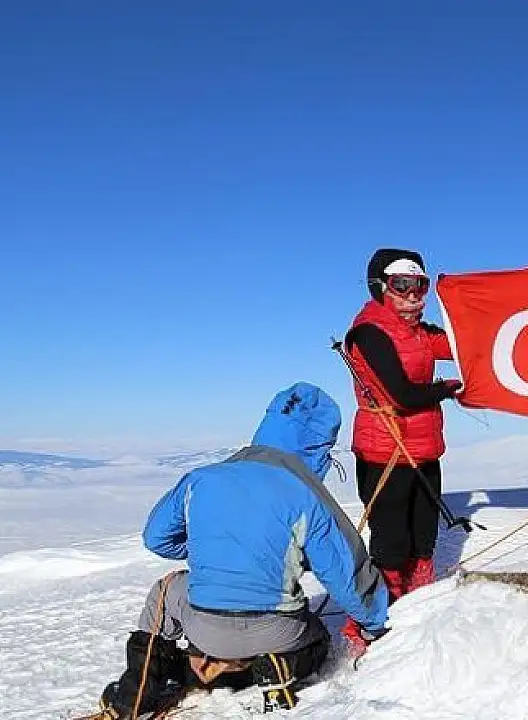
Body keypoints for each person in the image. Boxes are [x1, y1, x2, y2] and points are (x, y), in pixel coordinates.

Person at [96, 382, 390, 718]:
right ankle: (281, 666)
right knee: (318, 638)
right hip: (277, 632)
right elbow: (344, 571)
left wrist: (218, 553)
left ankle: (136, 692)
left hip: (204, 630)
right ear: (318, 446)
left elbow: (156, 538)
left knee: (165, 590)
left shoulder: (202, 479)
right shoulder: (304, 491)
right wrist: (374, 624)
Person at [342, 248, 461, 610]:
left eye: (420, 285)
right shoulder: (368, 333)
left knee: (424, 533)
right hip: (385, 452)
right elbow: (403, 395)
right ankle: (383, 608)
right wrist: (445, 389)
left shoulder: (420, 333)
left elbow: (462, 345)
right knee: (391, 540)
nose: (413, 295)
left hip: (424, 448)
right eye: (401, 284)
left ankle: (420, 599)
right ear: (380, 287)